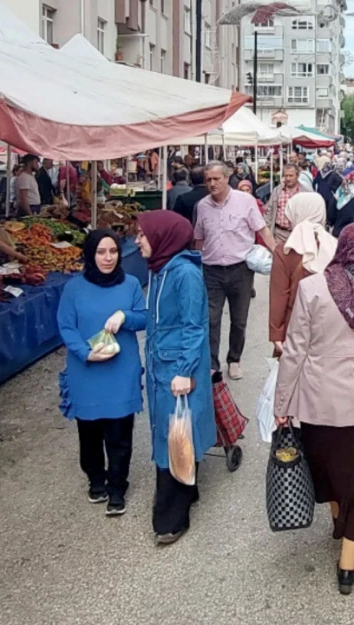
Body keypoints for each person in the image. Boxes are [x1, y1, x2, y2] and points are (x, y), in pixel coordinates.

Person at [273, 223, 354, 595]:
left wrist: (282, 403)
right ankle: (348, 564)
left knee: (328, 467)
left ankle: (337, 519)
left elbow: (295, 348)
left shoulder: (312, 288)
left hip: (319, 400)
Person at [136, 211, 217, 545]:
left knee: (174, 435)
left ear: (162, 237)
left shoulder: (183, 273)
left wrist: (184, 370)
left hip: (176, 367)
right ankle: (188, 486)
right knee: (172, 430)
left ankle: (171, 517)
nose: (137, 240)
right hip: (161, 364)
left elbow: (194, 325)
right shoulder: (159, 269)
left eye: (142, 234)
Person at [57, 230, 147, 516]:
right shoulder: (74, 288)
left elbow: (144, 317)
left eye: (113, 252)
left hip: (121, 369)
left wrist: (125, 316)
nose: (108, 258)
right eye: (101, 252)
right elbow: (66, 326)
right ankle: (96, 478)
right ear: (90, 255)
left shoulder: (131, 284)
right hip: (87, 370)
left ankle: (118, 486)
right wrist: (85, 353)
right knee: (89, 432)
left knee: (120, 433)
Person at [193, 161, 277, 379]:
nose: (212, 184)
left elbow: (262, 229)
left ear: (227, 177)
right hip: (211, 271)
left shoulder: (245, 201)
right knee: (211, 319)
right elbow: (198, 239)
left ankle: (234, 359)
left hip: (241, 270)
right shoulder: (202, 206)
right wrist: (194, 264)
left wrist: (278, 252)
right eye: (208, 180)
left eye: (216, 179)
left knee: (239, 320)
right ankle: (212, 363)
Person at [269, 193, 337, 357]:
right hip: (330, 324)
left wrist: (276, 334)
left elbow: (279, 295)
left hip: (295, 324)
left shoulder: (286, 250)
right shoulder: (334, 245)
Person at [266, 164, 302, 245]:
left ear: (297, 175)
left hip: (297, 234)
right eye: (286, 176)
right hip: (279, 234)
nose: (288, 178)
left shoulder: (304, 192)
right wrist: (268, 231)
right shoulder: (277, 191)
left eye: (291, 175)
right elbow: (269, 210)